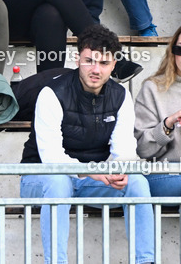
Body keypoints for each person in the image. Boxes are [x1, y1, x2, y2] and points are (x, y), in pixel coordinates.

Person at [19, 25, 154, 264]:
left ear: (114, 65)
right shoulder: (51, 93)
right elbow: (51, 158)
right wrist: (95, 171)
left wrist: (119, 171)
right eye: (89, 61)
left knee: (137, 182)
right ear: (77, 59)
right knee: (59, 182)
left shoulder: (120, 96)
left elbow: (124, 149)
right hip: (41, 178)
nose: (95, 69)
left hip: (91, 180)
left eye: (104, 63)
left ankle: (146, 261)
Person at [135, 26, 181, 196]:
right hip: (165, 172)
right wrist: (168, 124)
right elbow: (142, 149)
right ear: (172, 52)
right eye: (180, 49)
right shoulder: (153, 88)